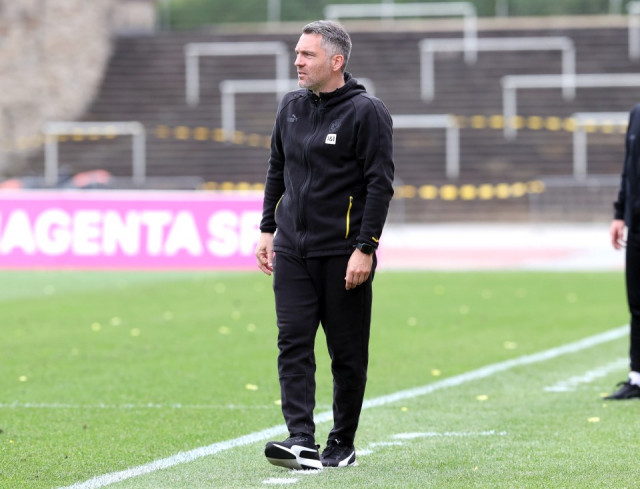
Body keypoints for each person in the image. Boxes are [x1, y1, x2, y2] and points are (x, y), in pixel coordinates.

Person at [255, 20, 395, 469]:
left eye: (307, 54)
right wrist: (267, 229)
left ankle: (342, 442)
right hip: (293, 250)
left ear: (336, 61)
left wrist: (365, 248)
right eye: (297, 53)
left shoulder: (366, 112)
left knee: (346, 355)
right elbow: (277, 167)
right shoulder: (290, 106)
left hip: (343, 253)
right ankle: (300, 438)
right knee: (292, 342)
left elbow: (379, 185)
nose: (297, 61)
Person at [605, 103, 640, 400]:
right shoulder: (636, 113)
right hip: (637, 226)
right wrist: (619, 214)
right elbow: (629, 170)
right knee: (637, 304)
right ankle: (637, 378)